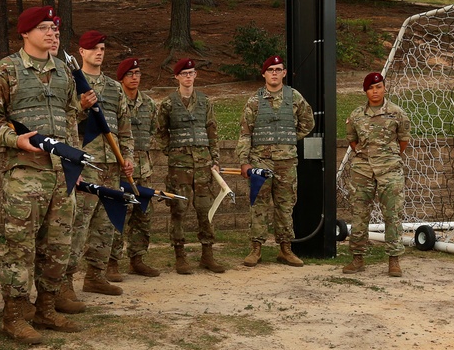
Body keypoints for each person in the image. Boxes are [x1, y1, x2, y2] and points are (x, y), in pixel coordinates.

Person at [0, 6, 95, 343]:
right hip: (25, 173)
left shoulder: (63, 73)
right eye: (44, 28)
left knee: (57, 246)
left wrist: (74, 161)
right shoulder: (5, 70)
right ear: (25, 33)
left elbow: (69, 118)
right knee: (21, 248)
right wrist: (15, 139)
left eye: (54, 28)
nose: (52, 33)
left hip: (61, 175)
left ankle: (46, 308)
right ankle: (14, 316)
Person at [65, 31, 134, 298]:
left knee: (105, 225)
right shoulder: (72, 83)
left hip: (112, 167)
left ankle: (95, 275)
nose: (99, 53)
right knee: (79, 225)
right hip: (86, 165)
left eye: (102, 48)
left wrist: (127, 157)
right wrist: (81, 105)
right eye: (93, 48)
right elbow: (64, 121)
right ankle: (65, 281)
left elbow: (124, 128)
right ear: (81, 52)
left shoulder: (115, 88)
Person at [236, 55, 314, 267]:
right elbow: (245, 133)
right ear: (264, 74)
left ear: (284, 73)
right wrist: (244, 161)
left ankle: (285, 249)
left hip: (286, 163)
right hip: (260, 162)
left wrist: (288, 139)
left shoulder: (294, 97)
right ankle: (256, 248)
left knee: (285, 206)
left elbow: (308, 122)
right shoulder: (254, 101)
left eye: (278, 69)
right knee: (258, 205)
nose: (274, 73)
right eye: (270, 70)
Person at [153, 58, 225, 274]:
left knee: (205, 208)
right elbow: (160, 131)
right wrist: (171, 151)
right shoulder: (168, 103)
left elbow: (212, 130)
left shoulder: (205, 101)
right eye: (184, 73)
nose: (188, 77)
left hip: (203, 165)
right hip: (179, 167)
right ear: (177, 76)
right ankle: (180, 256)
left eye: (191, 73)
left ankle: (207, 255)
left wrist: (215, 158)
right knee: (179, 208)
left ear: (195, 75)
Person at [342, 71, 410, 277]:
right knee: (359, 213)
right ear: (365, 91)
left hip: (389, 170)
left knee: (393, 214)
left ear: (384, 88)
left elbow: (403, 141)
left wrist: (386, 158)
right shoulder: (356, 115)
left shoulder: (397, 113)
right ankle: (357, 258)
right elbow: (352, 141)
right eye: (371, 88)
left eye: (378, 87)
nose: (375, 91)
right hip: (362, 171)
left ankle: (394, 260)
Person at [109, 58, 160, 277]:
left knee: (143, 214)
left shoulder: (149, 103)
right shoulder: (114, 100)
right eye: (130, 74)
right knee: (120, 213)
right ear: (121, 78)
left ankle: (137, 259)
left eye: (138, 73)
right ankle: (111, 262)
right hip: (121, 167)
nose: (135, 77)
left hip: (143, 169)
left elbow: (154, 130)